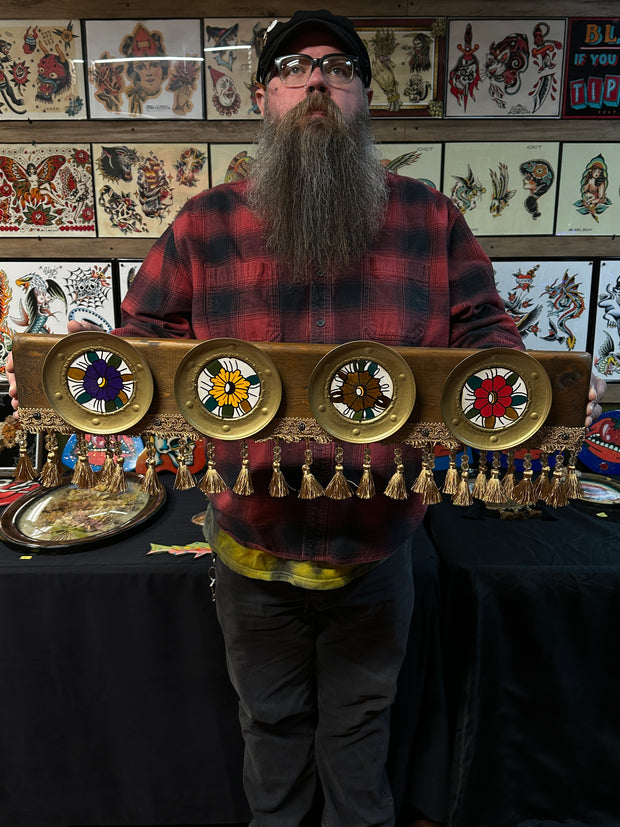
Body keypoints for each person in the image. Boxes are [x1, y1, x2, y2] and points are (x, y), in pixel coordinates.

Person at [6, 10, 605, 827]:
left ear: (365, 98)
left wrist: (543, 389)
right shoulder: (204, 223)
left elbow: (488, 337)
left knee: (362, 746)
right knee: (272, 737)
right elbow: (137, 345)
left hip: (380, 552)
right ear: (265, 96)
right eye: (295, 67)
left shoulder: (431, 220)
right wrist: (78, 367)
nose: (318, 79)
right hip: (251, 548)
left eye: (341, 67)